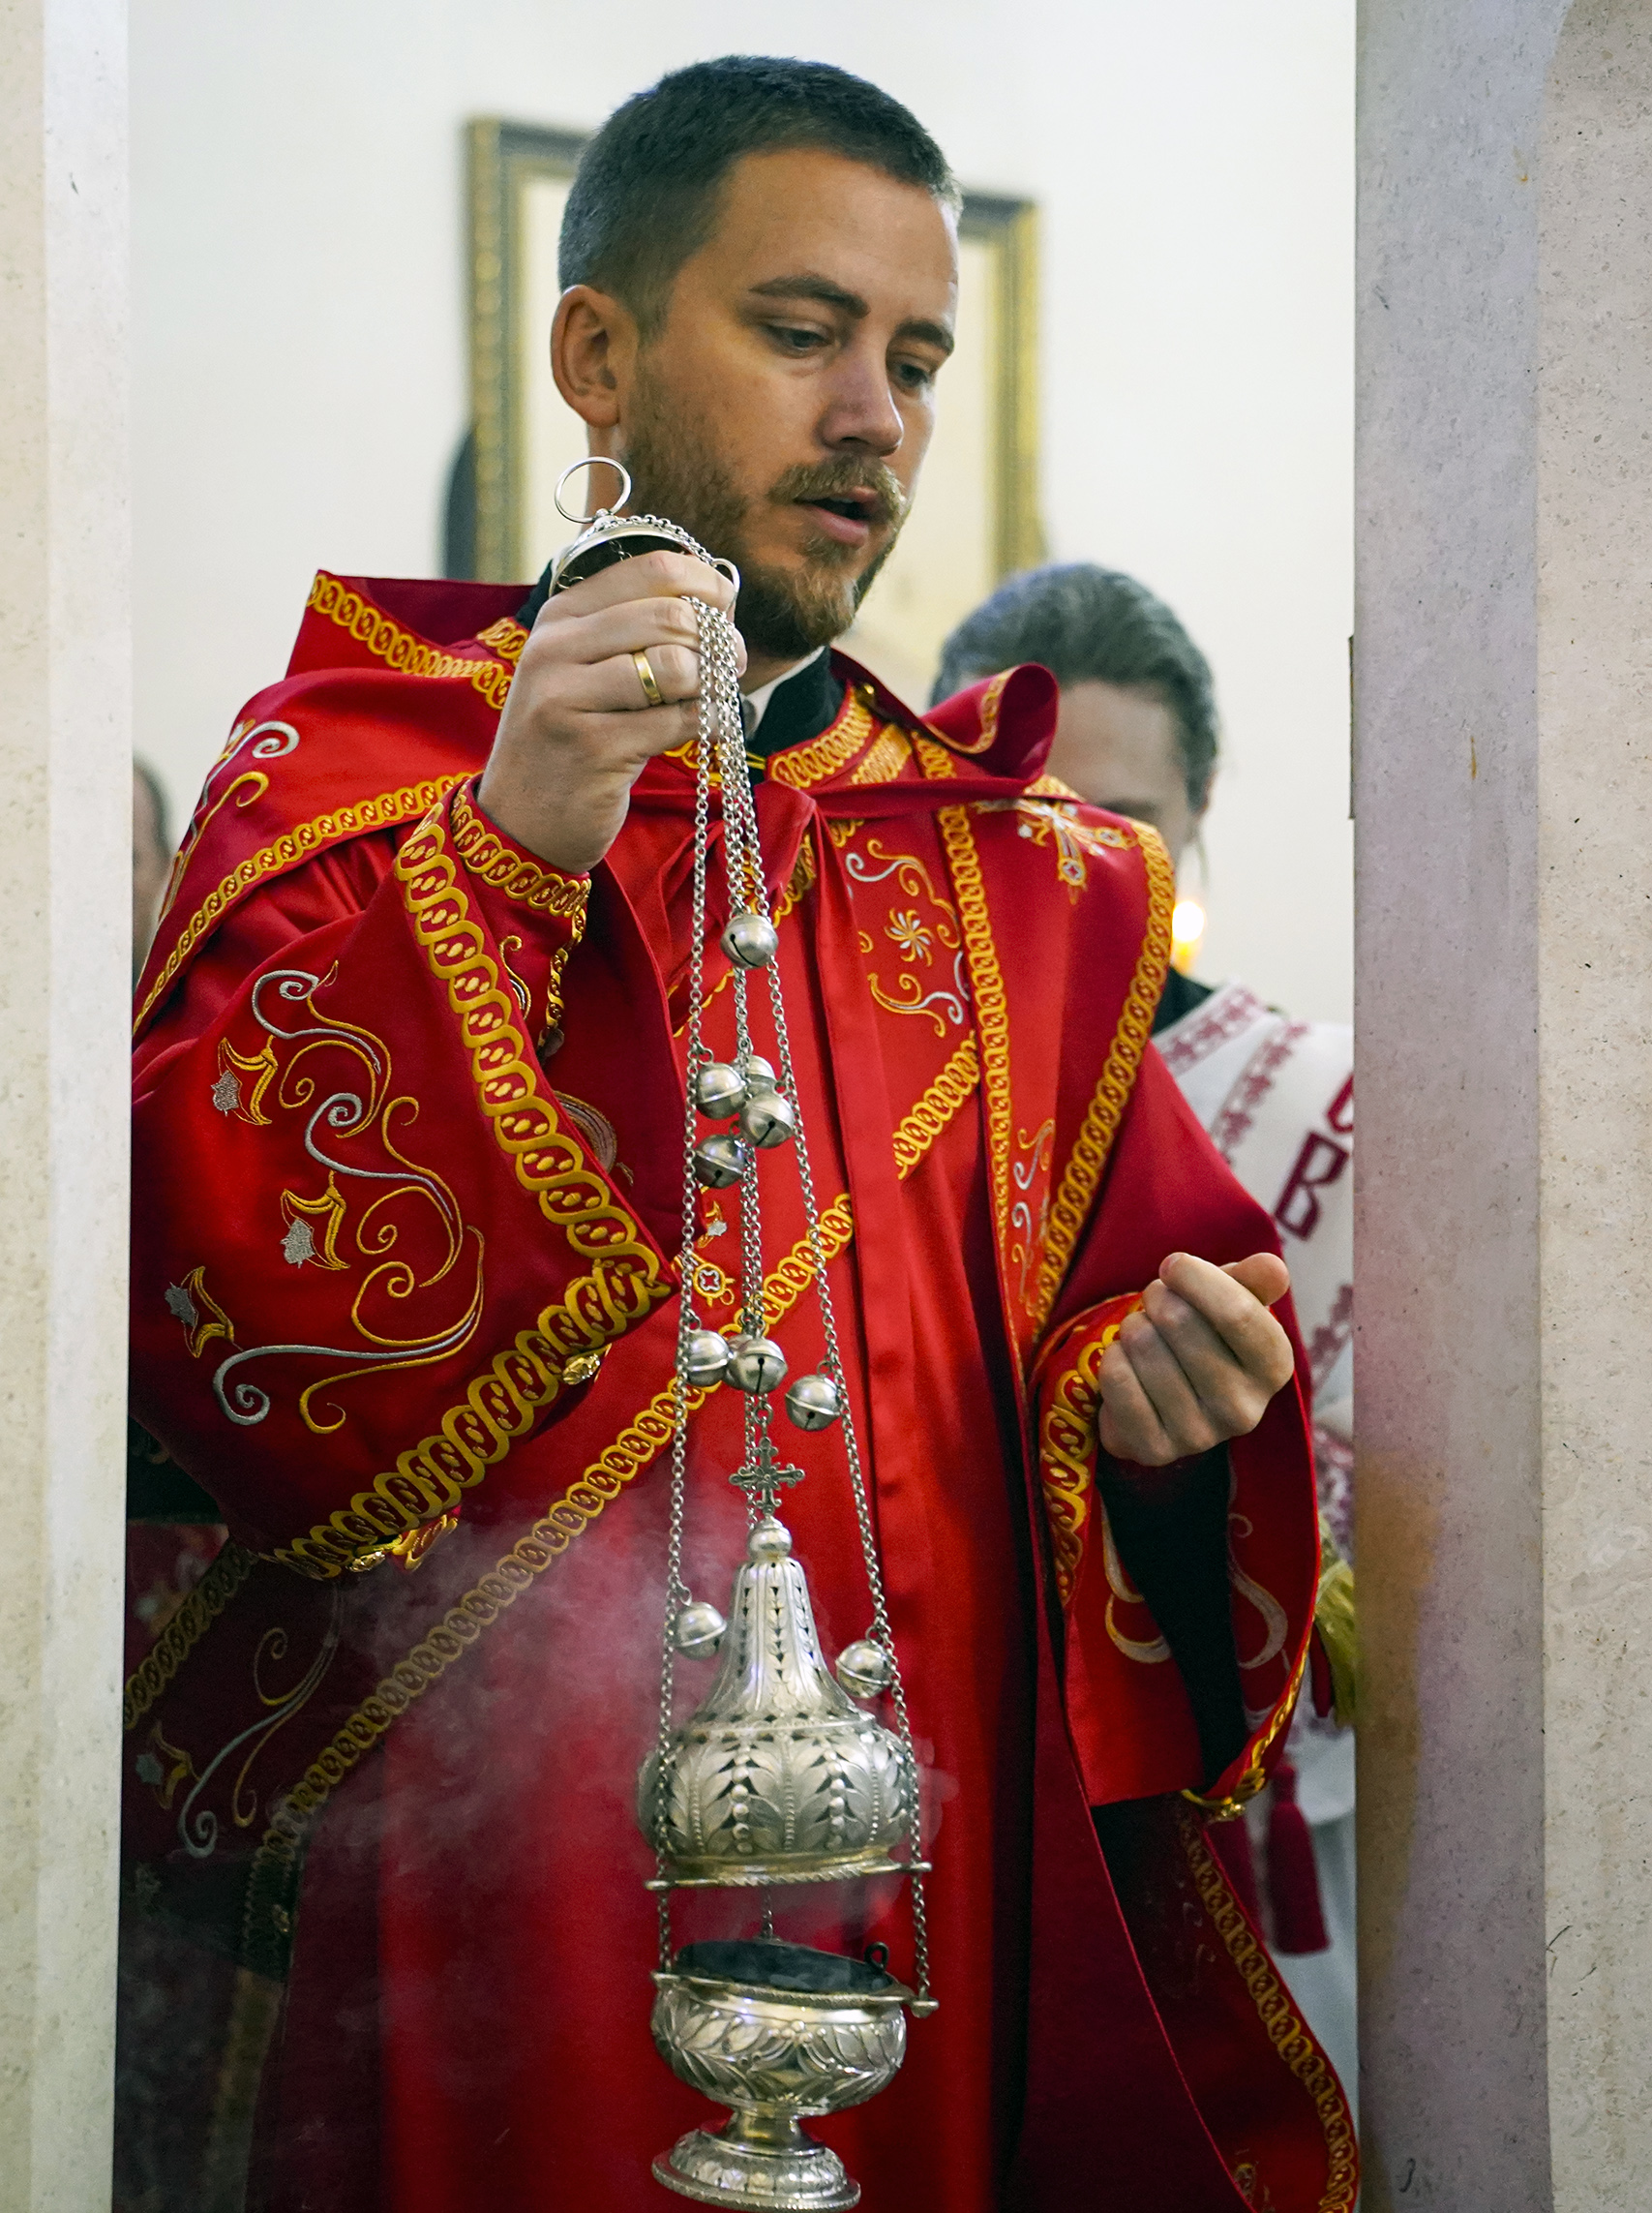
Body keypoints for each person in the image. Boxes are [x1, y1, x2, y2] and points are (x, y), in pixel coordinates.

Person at [125, 63, 1353, 2213]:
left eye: (916, 360)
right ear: (596, 354)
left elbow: (1110, 1384)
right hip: (483, 1901)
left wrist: (1156, 1412)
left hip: (915, 1886)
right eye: (802, 333)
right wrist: (509, 853)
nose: (874, 417)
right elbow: (198, 1317)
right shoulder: (350, 784)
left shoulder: (1028, 884)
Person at [935, 561, 1358, 2106]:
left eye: (1124, 824)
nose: (1074, 869)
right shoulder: (883, 1110)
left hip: (1244, 1822)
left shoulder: (1328, 1105)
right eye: (1023, 822)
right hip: (950, 1807)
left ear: (1197, 816)